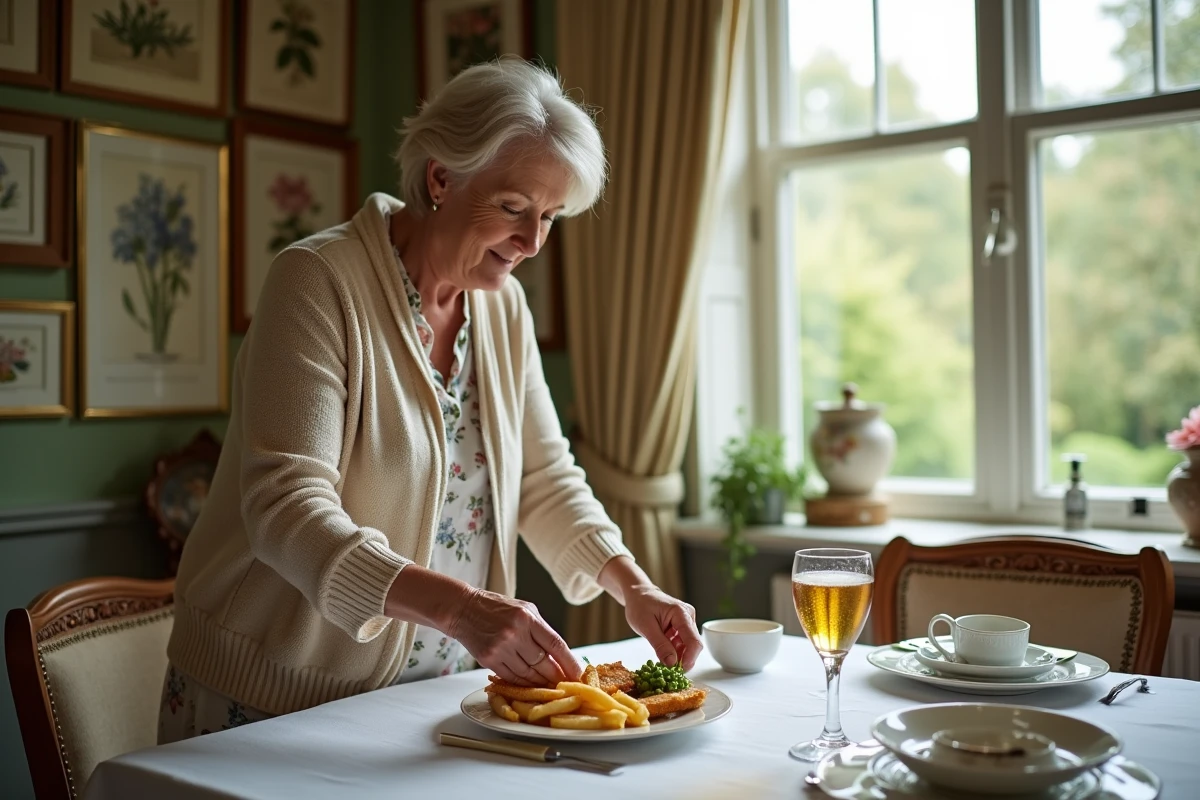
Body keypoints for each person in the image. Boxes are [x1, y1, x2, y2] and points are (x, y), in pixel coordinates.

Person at [158, 58, 703, 743]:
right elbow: (284, 507)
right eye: (513, 209)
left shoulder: (502, 309)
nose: (532, 243)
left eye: (550, 217)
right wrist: (464, 611)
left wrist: (633, 587)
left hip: (433, 694)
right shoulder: (317, 283)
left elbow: (544, 479)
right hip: (276, 695)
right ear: (442, 177)